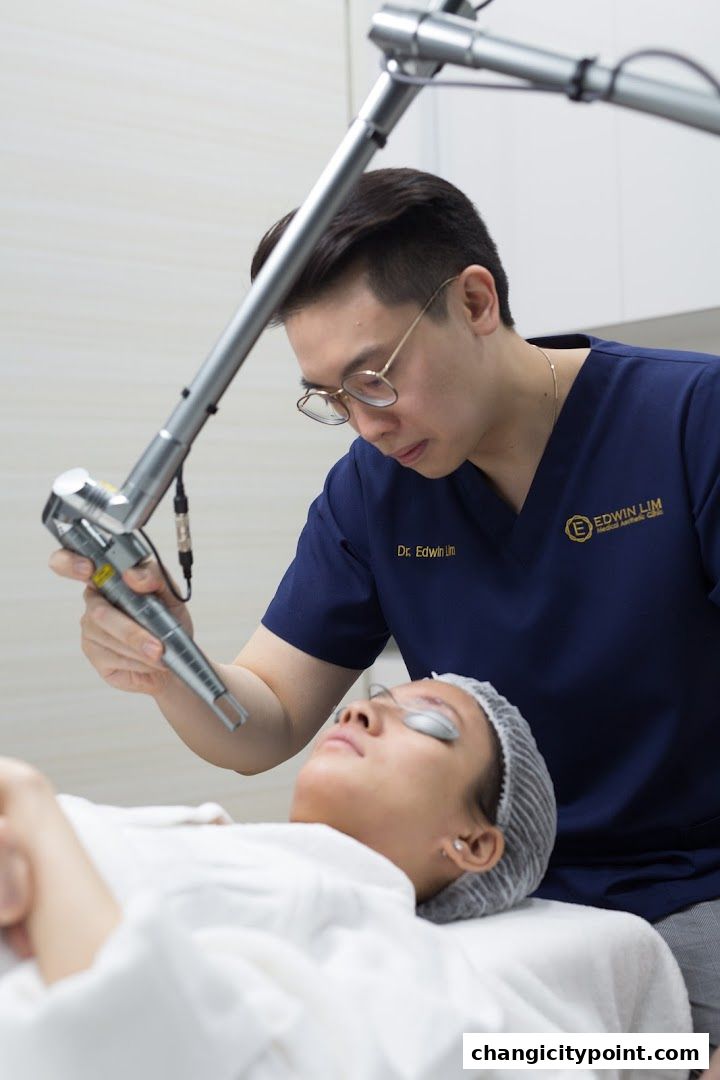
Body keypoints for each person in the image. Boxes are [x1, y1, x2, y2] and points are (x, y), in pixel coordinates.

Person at [50, 167, 720, 1041]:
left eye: (374, 377)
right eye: (331, 398)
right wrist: (164, 657)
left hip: (697, 894)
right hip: (480, 912)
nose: (367, 423)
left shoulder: (688, 420)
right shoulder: (373, 493)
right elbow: (267, 717)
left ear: (476, 301)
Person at [0, 676, 557, 1079]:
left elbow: (154, 1048)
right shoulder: (241, 851)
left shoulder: (382, 950)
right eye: (368, 702)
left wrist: (32, 813)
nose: (355, 714)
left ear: (474, 844)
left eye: (429, 722)